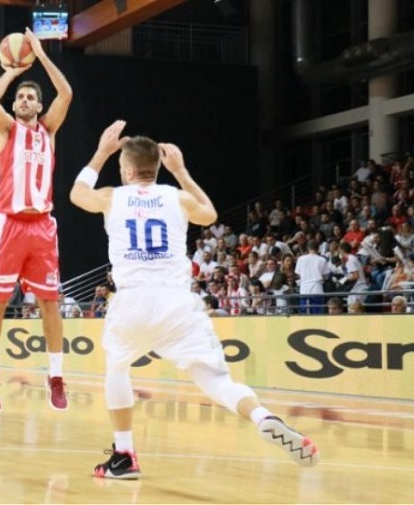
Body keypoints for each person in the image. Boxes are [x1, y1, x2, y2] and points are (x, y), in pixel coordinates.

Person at [69, 120, 319, 479]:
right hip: (177, 302)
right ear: (156, 168)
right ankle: (262, 416)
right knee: (216, 380)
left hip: (132, 300)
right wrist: (182, 171)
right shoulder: (178, 197)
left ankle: (124, 456)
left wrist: (101, 152)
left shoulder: (112, 196)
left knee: (117, 368)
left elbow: (77, 193)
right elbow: (209, 213)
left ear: (127, 171)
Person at [0, 27, 72, 412]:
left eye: (31, 96)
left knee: (50, 302)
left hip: (42, 226)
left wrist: (41, 56)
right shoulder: (7, 130)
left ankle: (56, 377)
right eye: (20, 96)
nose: (24, 100)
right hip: (9, 224)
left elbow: (66, 93)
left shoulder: (49, 130)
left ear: (39, 105)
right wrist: (14, 71)